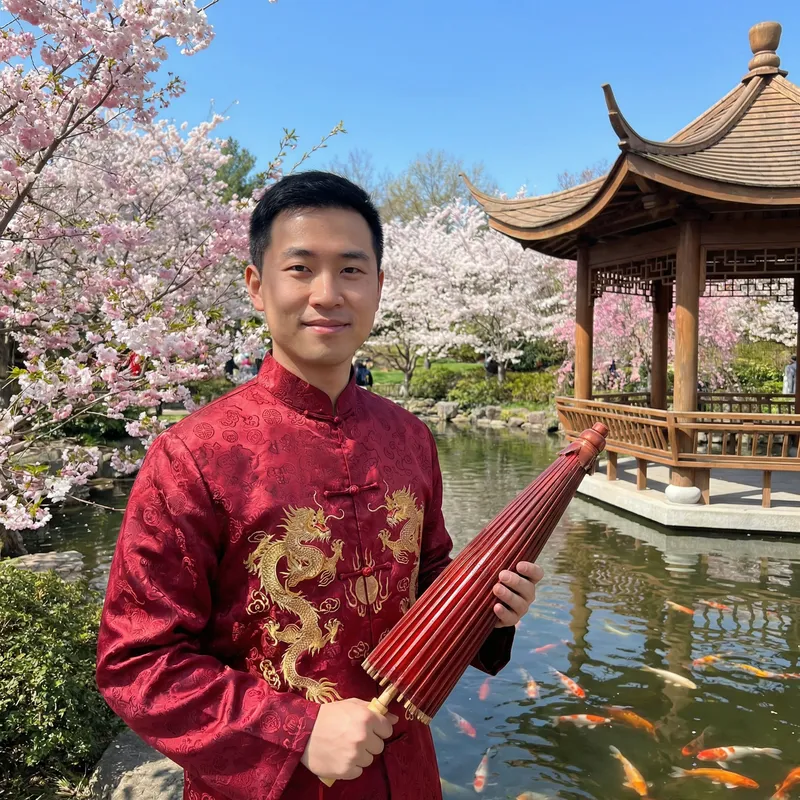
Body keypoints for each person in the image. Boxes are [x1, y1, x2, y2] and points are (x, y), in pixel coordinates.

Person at [96, 172, 543, 800]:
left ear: (379, 286)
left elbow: (429, 580)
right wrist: (296, 730)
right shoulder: (194, 455)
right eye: (301, 268)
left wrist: (488, 608)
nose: (327, 294)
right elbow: (136, 661)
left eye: (352, 271)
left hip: (409, 774)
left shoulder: (410, 438)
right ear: (257, 286)